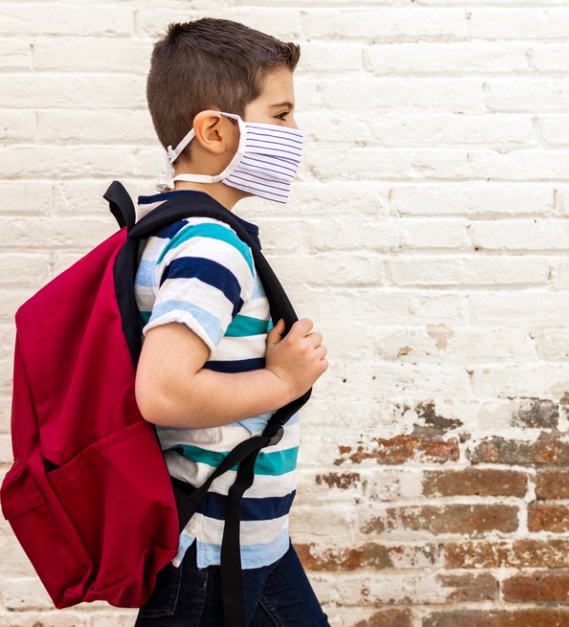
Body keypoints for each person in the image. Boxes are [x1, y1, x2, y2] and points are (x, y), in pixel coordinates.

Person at [131, 18, 330, 627]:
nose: (295, 133)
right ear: (215, 130)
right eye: (281, 115)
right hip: (210, 550)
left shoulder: (174, 225)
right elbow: (162, 392)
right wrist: (283, 382)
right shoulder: (209, 246)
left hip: (248, 537)